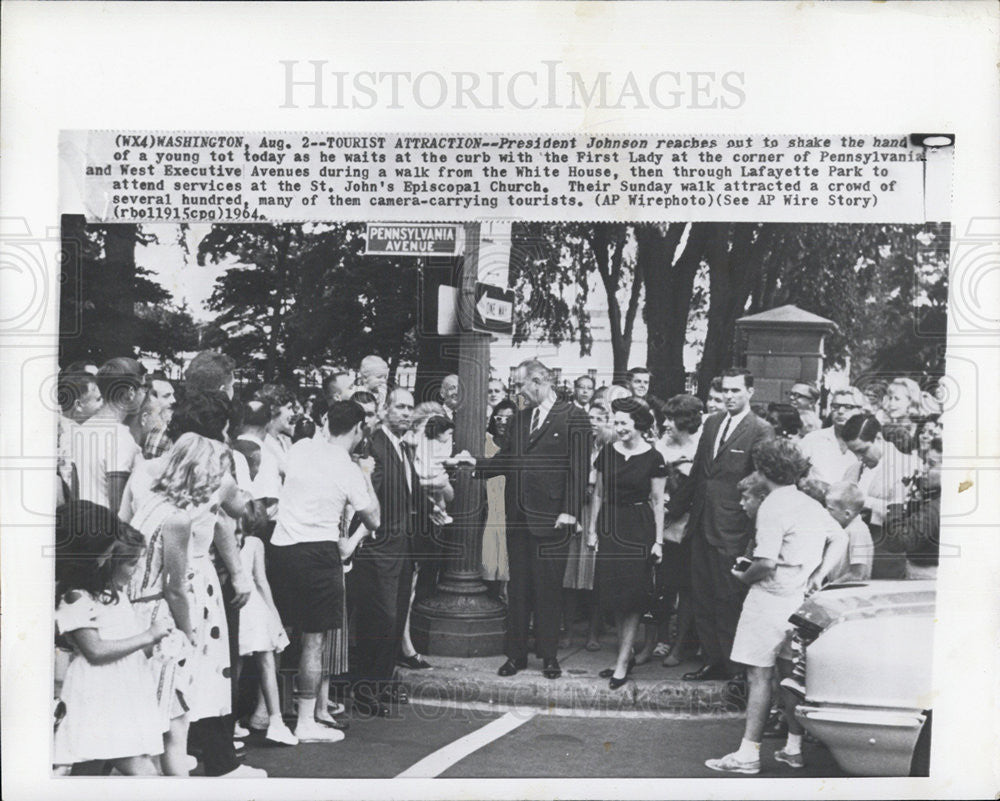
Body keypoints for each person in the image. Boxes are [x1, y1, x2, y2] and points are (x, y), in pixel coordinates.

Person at [706, 439, 845, 775]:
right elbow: (840, 537)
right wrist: (818, 575)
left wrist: (743, 576)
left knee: (758, 676)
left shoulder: (772, 506)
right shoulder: (808, 503)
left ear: (765, 469)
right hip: (798, 600)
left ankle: (748, 754)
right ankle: (793, 748)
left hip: (768, 599)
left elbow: (765, 563)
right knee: (788, 677)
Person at [474, 359, 592, 680]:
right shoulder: (520, 419)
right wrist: (473, 465)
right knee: (519, 589)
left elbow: (579, 468)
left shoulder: (575, 417)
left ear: (538, 381)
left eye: (522, 386)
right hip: (519, 518)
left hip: (553, 518)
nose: (519, 392)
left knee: (548, 589)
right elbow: (506, 460)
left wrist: (570, 510)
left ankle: (549, 655)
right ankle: (516, 656)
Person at [270, 401, 379, 738]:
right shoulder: (348, 469)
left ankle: (268, 713)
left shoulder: (300, 448)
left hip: (281, 548)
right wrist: (366, 478)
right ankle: (305, 721)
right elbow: (373, 517)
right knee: (312, 641)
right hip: (319, 552)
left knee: (277, 636)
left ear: (327, 421)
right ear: (359, 430)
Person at [668, 367, 774, 681]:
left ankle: (736, 671)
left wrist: (754, 534)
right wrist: (673, 509)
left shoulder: (760, 429)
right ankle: (713, 660)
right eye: (725, 391)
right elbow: (700, 471)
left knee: (729, 599)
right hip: (701, 524)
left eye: (735, 391)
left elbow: (760, 484)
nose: (728, 396)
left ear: (750, 392)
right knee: (702, 596)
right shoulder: (712, 423)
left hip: (733, 528)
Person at [53, 501, 168, 775]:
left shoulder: (109, 595)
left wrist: (152, 645)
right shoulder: (76, 596)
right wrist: (147, 636)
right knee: (140, 771)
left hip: (119, 691)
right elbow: (95, 651)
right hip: (99, 694)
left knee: (92, 766)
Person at [587, 397, 667, 689]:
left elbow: (658, 502)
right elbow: (598, 494)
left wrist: (657, 541)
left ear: (639, 425)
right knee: (615, 595)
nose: (618, 428)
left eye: (623, 423)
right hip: (610, 526)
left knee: (633, 597)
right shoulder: (607, 452)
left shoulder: (654, 457)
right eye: (616, 422)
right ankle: (625, 653)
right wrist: (593, 530)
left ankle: (622, 661)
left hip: (638, 526)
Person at [349, 389, 419, 715]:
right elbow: (366, 497)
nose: (406, 412)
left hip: (402, 547)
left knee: (396, 615)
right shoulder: (374, 446)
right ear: (386, 410)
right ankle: (366, 690)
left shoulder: (402, 448)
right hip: (378, 548)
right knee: (380, 619)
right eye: (400, 407)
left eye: (410, 407)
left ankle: (383, 683)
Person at [650, 393, 704, 667]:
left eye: (671, 419)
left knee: (688, 588)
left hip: (691, 527)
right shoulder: (662, 445)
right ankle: (660, 638)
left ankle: (680, 644)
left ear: (686, 420)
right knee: (664, 585)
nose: (666, 423)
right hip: (667, 525)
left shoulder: (702, 445)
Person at [234, 524, 297, 746]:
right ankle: (276, 722)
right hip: (254, 606)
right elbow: (261, 580)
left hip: (233, 605)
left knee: (235, 667)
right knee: (267, 663)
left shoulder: (225, 537)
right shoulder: (255, 543)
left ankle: (229, 722)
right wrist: (274, 613)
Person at [841, 413, 922, 579]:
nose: (859, 457)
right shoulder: (853, 469)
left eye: (862, 451)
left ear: (879, 438)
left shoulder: (908, 465)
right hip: (854, 555)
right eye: (854, 452)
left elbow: (908, 513)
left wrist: (864, 502)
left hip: (888, 554)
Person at [560, 400, 611, 652]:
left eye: (599, 418)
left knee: (595, 576)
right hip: (577, 511)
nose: (593, 423)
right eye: (590, 418)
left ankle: (593, 632)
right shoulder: (575, 445)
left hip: (598, 514)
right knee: (570, 573)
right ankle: (567, 630)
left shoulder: (610, 449)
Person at [70, 358, 146, 513]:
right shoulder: (121, 438)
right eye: (143, 388)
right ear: (131, 392)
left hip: (82, 525)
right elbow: (118, 508)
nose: (145, 395)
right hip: (107, 531)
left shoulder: (82, 429)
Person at [482, 400, 516, 599]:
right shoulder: (485, 441)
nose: (503, 422)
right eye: (499, 417)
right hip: (489, 507)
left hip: (508, 508)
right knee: (487, 558)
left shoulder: (518, 445)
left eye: (508, 418)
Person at [798, 387, 864, 484]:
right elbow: (792, 472)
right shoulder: (813, 439)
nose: (840, 411)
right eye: (835, 406)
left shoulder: (868, 443)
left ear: (860, 411)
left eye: (848, 407)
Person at [412, 414, 458, 526]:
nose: (449, 438)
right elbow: (446, 460)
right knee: (441, 500)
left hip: (421, 474)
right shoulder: (436, 445)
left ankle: (436, 513)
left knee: (432, 499)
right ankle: (442, 514)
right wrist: (458, 459)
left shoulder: (424, 441)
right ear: (439, 433)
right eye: (449, 434)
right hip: (433, 475)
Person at [824, 481, 874, 582]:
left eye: (830, 509)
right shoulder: (843, 529)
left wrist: (829, 587)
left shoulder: (858, 531)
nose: (825, 512)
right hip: (839, 589)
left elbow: (857, 575)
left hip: (850, 593)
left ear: (847, 514)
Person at [141, 377, 177, 459]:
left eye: (173, 395)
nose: (174, 400)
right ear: (152, 398)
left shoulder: (169, 427)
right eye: (166, 396)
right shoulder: (158, 432)